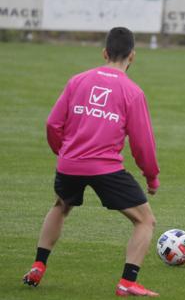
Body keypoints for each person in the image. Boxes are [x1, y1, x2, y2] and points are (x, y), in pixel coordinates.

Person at [22, 27, 160, 296]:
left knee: (61, 205)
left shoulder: (78, 81)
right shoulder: (132, 91)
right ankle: (127, 281)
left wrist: (62, 153)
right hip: (105, 168)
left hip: (70, 164)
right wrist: (151, 176)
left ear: (104, 53)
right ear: (132, 56)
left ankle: (39, 264)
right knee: (145, 221)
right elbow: (143, 143)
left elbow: (53, 124)